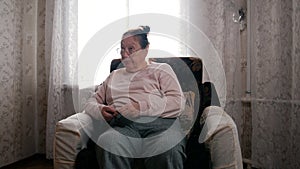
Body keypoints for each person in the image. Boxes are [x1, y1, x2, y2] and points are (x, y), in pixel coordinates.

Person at [84, 25, 187, 169]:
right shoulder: (114, 76)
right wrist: (100, 110)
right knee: (108, 143)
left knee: (168, 149)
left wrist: (140, 108)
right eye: (122, 49)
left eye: (131, 49)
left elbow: (178, 102)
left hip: (161, 125)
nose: (124, 54)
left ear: (146, 49)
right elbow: (91, 102)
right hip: (123, 127)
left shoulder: (161, 70)